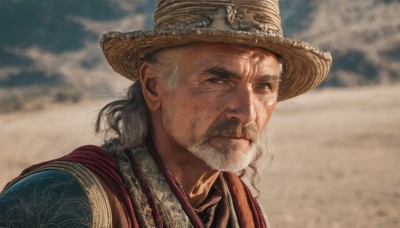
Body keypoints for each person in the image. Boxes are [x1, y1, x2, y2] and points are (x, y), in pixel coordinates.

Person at [0, 0, 332, 227]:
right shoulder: (62, 202)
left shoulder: (235, 207)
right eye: (217, 80)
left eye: (264, 87)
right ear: (153, 87)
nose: (247, 112)